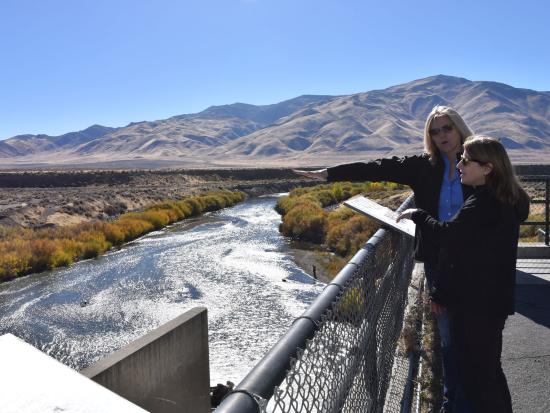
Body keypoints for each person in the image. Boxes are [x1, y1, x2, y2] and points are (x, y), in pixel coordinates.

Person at [294, 105, 474, 412]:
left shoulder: (478, 160)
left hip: (474, 260)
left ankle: (476, 396)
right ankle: (451, 402)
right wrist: (330, 174)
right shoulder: (422, 166)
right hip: (438, 262)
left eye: (447, 128)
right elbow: (378, 166)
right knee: (447, 336)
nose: (442, 135)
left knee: (474, 332)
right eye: (434, 130)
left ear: (459, 128)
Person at [397, 136, 529, 413]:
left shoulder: (483, 203)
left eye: (466, 160)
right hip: (492, 299)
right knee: (489, 370)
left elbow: (448, 236)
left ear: (487, 168)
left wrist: (417, 215)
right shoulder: (507, 199)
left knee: (477, 375)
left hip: (475, 303)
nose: (459, 164)